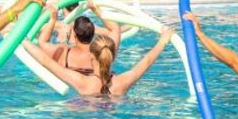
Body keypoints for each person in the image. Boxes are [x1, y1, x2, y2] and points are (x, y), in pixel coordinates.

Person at [25, 29, 173, 98]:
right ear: (113, 56)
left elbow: (45, 61)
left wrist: (20, 39)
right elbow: (146, 61)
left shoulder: (81, 81)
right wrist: (163, 40)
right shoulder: (122, 82)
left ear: (91, 55)